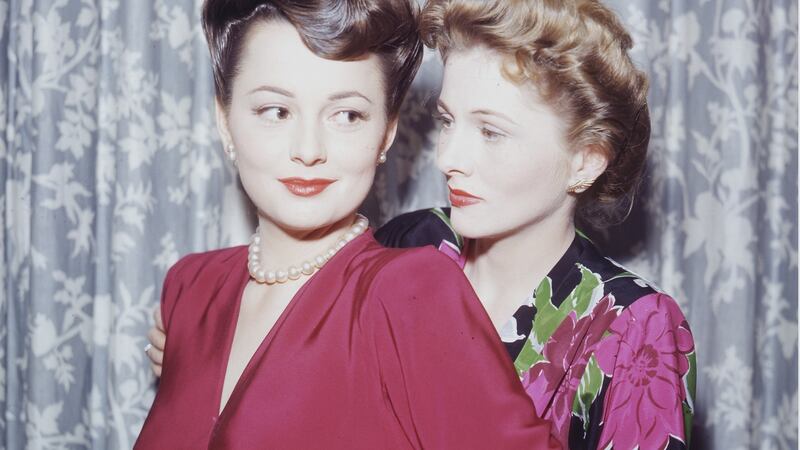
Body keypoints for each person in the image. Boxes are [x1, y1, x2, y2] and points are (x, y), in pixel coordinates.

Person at [147, 0, 697, 448]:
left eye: (492, 131)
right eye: (447, 121)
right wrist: (193, 335)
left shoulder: (635, 323)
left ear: (585, 160)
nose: (447, 158)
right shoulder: (414, 240)